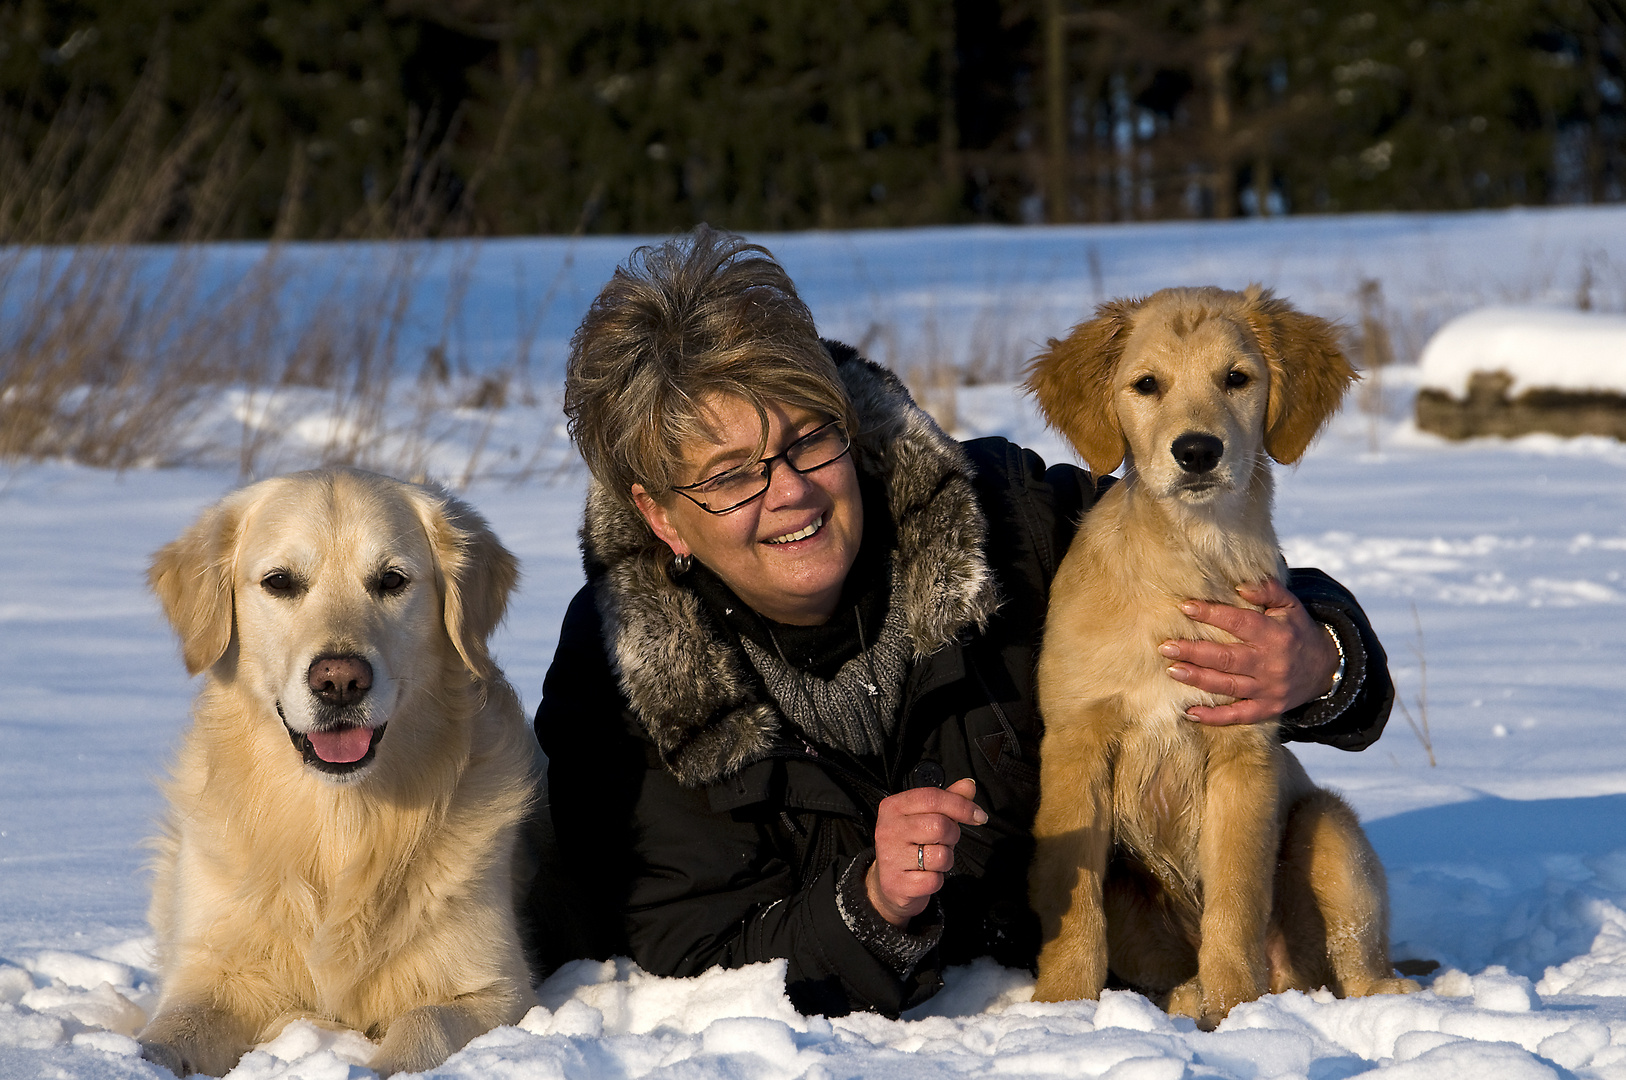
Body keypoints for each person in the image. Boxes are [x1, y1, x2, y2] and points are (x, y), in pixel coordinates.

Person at [530, 226, 1392, 1017]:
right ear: (663, 517)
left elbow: (1198, 546)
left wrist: (1321, 658)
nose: (789, 491)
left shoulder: (1004, 519)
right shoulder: (620, 684)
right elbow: (685, 945)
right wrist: (866, 906)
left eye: (807, 440)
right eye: (728, 476)